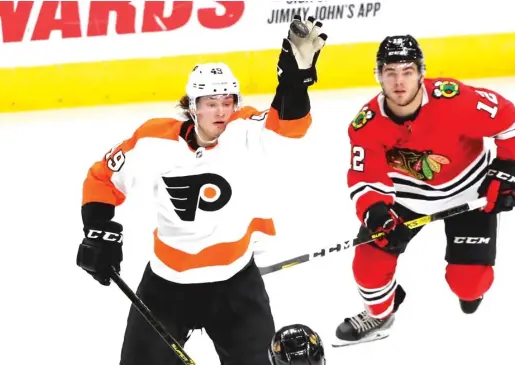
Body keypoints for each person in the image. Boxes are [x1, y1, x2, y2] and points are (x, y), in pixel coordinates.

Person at [76, 16, 327, 365]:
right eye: (210, 103)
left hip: (235, 284)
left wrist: (295, 80)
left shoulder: (244, 131)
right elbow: (101, 178)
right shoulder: (154, 139)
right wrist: (96, 229)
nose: (221, 111)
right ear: (192, 106)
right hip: (167, 284)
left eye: (228, 101)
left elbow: (289, 124)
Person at [334, 34, 515, 347]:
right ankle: (381, 313)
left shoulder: (456, 99)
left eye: (407, 71)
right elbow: (364, 179)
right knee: (368, 270)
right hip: (405, 198)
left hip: (469, 192)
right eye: (391, 73)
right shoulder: (366, 124)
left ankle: (470, 282)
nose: (399, 82)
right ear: (378, 76)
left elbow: (513, 124)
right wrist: (376, 212)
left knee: (468, 287)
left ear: (421, 73)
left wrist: (507, 169)